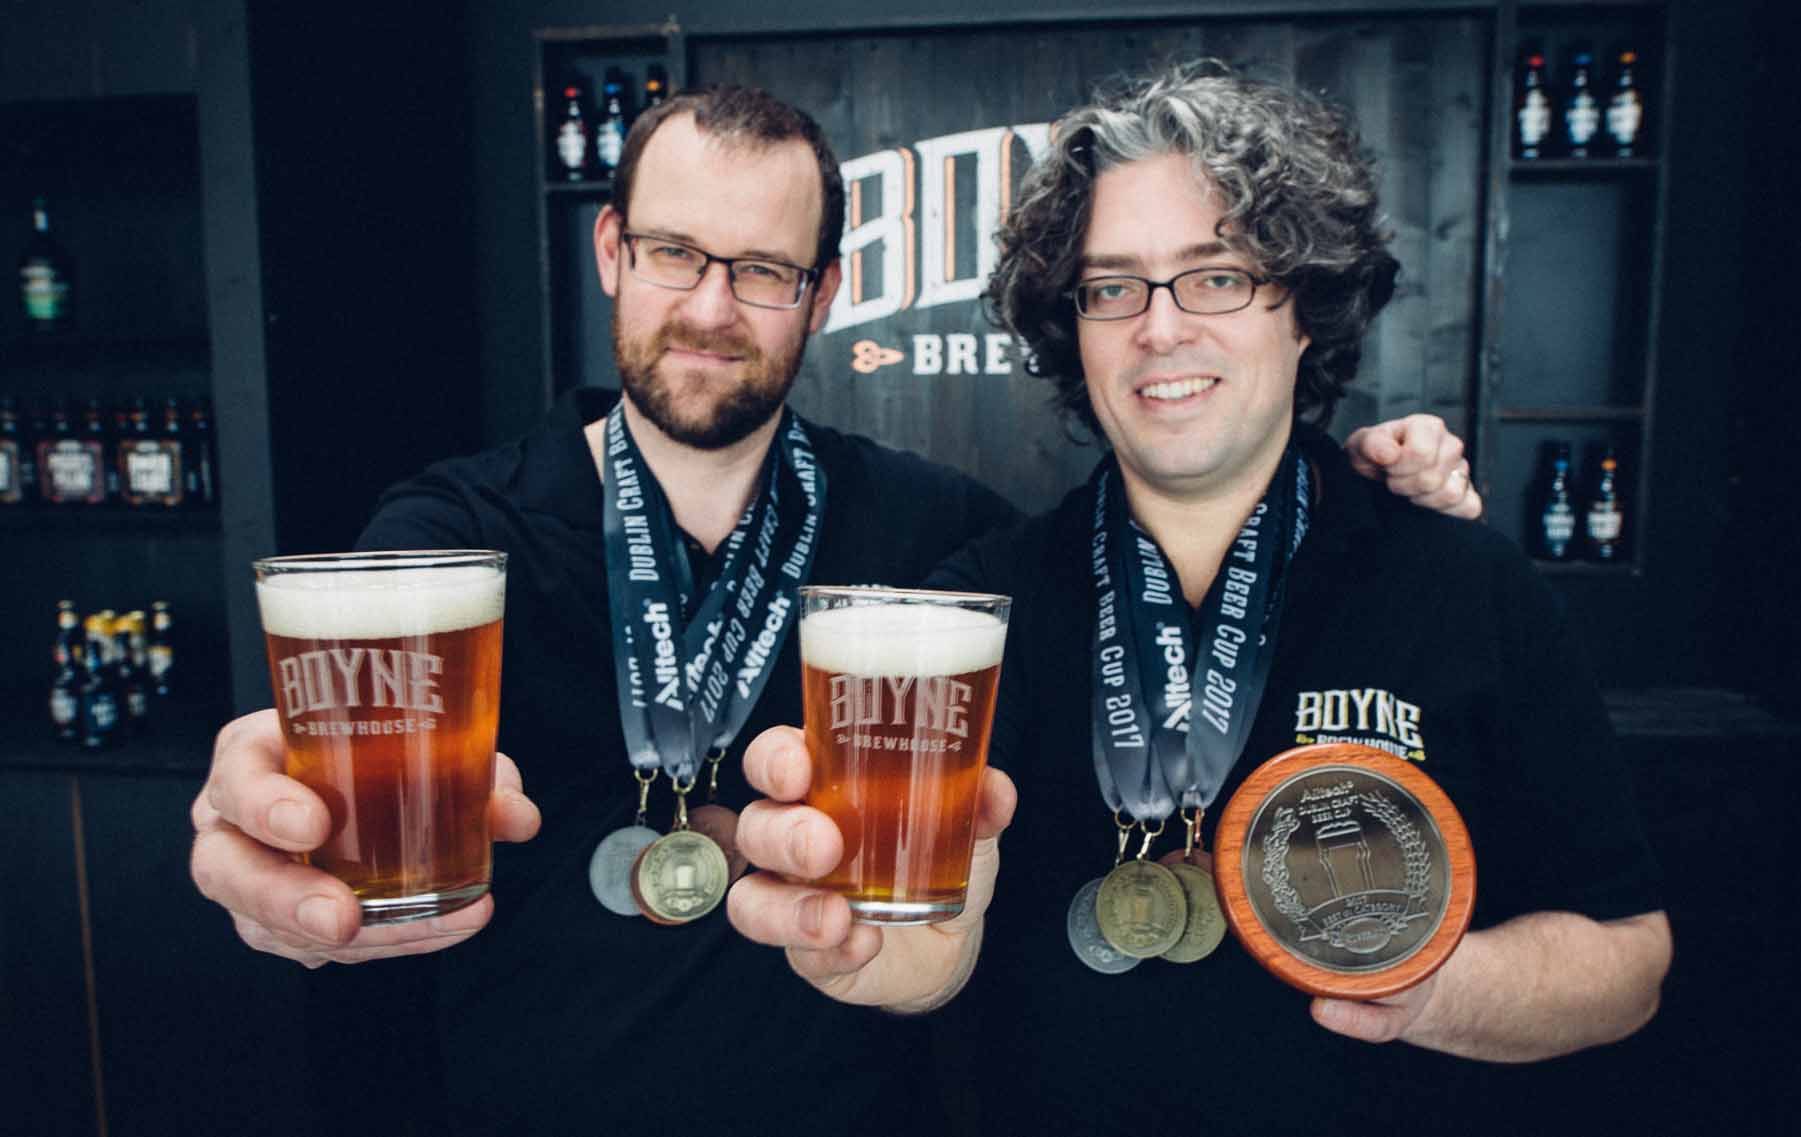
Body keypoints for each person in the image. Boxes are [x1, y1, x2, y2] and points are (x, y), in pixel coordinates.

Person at [186, 82, 1483, 1135]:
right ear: (610, 252)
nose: (709, 305)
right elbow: (318, 775)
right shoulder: (448, 545)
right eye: (675, 253)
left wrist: (1358, 495)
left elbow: (1165, 582)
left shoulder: (939, 525)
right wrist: (274, 846)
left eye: (761, 269)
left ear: (823, 291)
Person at [727, 62, 1671, 1134]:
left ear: (1303, 309)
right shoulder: (970, 613)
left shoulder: (1462, 581)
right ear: (1069, 330)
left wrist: (1430, 989)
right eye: (1110, 286)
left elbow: (1627, 960)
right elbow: (922, 953)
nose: (1158, 328)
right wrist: (876, 956)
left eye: (1214, 275)